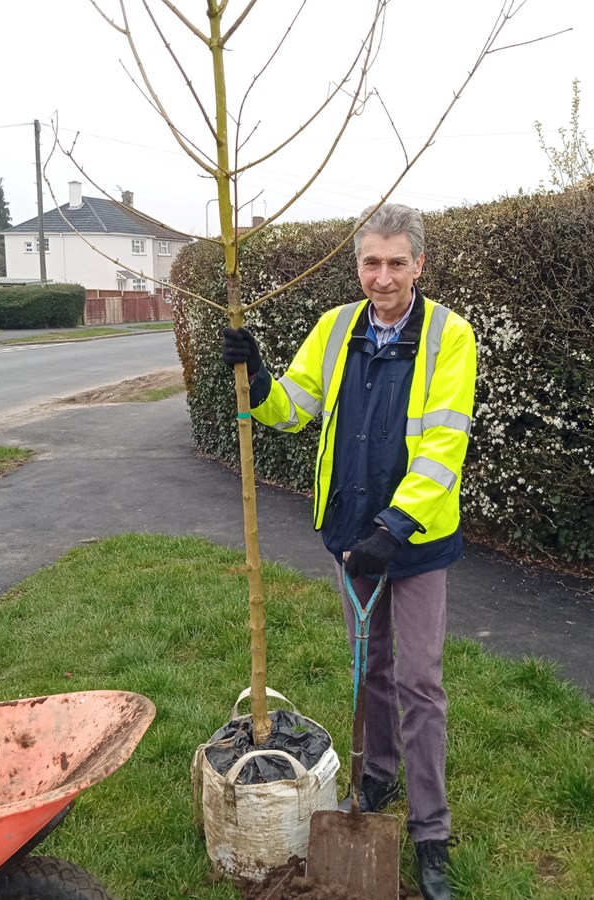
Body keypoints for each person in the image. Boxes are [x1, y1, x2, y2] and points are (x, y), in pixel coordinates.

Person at [221, 202, 477, 900]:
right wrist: (261, 378)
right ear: (357, 264)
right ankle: (376, 773)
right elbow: (295, 408)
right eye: (372, 262)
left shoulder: (451, 337)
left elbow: (444, 445)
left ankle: (431, 833)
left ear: (419, 265)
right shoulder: (335, 329)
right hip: (348, 532)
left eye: (397, 263)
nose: (383, 276)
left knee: (420, 681)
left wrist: (393, 529)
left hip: (414, 540)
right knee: (371, 667)